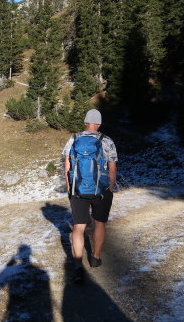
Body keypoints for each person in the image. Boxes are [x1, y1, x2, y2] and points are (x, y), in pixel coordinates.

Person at [61, 109, 117, 284]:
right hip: (101, 189)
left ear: (85, 122)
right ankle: (95, 257)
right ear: (99, 124)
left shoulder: (73, 139)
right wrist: (110, 186)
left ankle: (78, 266)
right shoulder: (106, 140)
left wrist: (70, 186)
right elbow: (112, 168)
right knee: (99, 223)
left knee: (78, 227)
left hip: (77, 189)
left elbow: (67, 166)